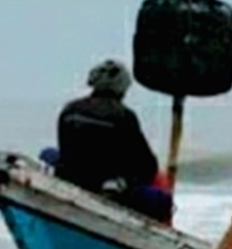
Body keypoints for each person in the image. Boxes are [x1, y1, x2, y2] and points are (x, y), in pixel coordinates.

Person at [55, 59, 173, 223]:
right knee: (162, 200)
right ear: (122, 89)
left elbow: (65, 147)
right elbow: (146, 165)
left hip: (70, 177)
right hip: (105, 187)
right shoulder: (123, 116)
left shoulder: (69, 110)